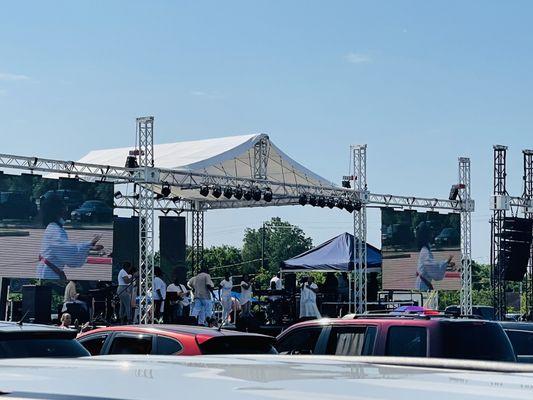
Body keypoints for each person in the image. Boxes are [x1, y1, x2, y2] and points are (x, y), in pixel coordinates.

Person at [36, 192, 103, 280]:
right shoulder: (55, 230)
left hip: (48, 272)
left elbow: (65, 251)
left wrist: (90, 248)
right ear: (58, 210)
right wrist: (90, 244)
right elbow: (70, 255)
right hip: (49, 274)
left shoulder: (53, 227)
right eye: (64, 207)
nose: (66, 210)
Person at [415, 223, 456, 291]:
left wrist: (446, 264)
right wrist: (446, 262)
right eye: (430, 233)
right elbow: (436, 272)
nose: (432, 235)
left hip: (423, 284)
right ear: (426, 236)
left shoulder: (425, 250)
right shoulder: (425, 252)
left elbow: (432, 268)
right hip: (423, 286)